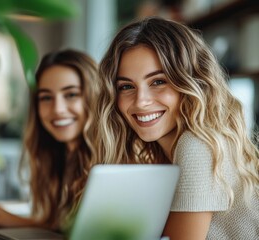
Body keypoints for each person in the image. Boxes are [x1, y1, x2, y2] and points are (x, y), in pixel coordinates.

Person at [92, 16, 259, 239]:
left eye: (158, 81)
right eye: (126, 86)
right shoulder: (169, 153)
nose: (141, 101)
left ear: (191, 82)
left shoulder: (197, 146)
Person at [0, 49, 99, 233]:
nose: (57, 109)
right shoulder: (59, 156)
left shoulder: (113, 160)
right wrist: (13, 220)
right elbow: (65, 227)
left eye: (71, 94)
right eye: (46, 98)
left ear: (95, 96)